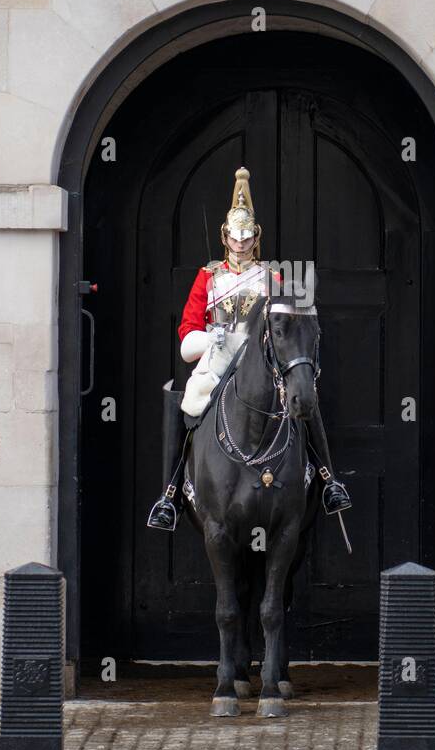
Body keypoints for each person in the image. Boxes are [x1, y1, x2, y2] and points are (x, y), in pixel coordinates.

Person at [146, 167, 353, 531]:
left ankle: (328, 479)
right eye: (234, 237)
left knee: (306, 393)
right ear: (225, 237)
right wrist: (211, 338)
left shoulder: (273, 276)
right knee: (190, 399)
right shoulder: (208, 276)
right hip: (219, 357)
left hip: (262, 358)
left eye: (246, 238)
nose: (240, 244)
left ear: (255, 237)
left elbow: (293, 319)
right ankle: (171, 492)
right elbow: (188, 330)